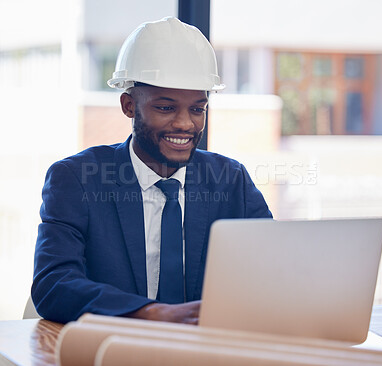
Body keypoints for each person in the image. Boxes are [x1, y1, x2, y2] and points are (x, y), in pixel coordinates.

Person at [32, 16, 273, 325]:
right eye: (166, 107)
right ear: (129, 106)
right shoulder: (77, 180)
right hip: (117, 349)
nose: (185, 124)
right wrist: (150, 313)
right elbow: (53, 284)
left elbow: (272, 271)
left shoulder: (230, 180)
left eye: (197, 108)